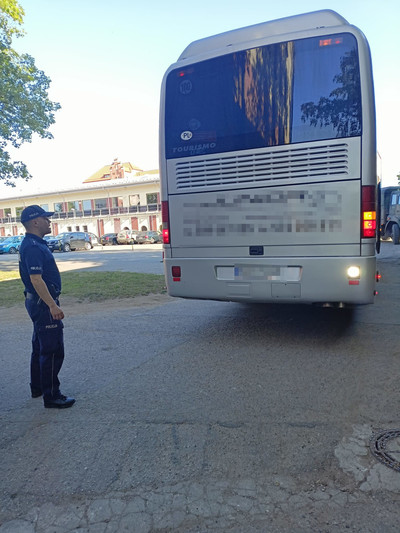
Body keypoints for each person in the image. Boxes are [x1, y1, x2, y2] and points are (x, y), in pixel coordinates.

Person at [19, 205, 75, 409]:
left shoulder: (33, 243)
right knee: (52, 350)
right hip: (43, 303)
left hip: (37, 301)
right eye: (45, 218)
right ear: (35, 222)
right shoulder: (33, 247)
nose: (49, 222)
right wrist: (52, 305)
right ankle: (52, 395)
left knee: (39, 346)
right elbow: (36, 279)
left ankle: (38, 387)